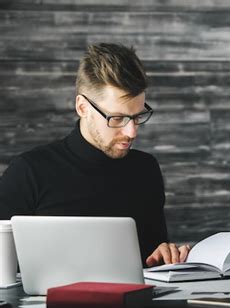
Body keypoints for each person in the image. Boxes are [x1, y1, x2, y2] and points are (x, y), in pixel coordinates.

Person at [0, 43, 188, 266]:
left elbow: (153, 259)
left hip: (136, 300)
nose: (132, 131)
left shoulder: (146, 169)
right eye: (117, 118)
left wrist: (163, 254)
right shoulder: (28, 172)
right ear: (82, 107)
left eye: (138, 116)